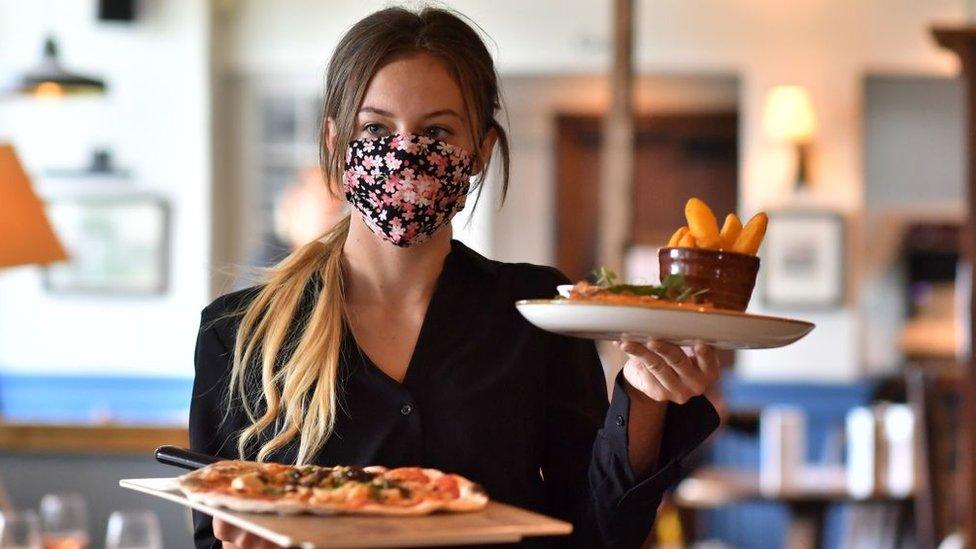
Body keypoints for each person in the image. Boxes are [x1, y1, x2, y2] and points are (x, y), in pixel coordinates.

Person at [190, 7, 721, 549]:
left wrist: (647, 397)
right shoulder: (237, 332)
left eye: (436, 130)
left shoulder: (539, 311)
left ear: (479, 151)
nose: (404, 151)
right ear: (335, 144)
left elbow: (597, 533)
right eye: (375, 127)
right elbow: (214, 535)